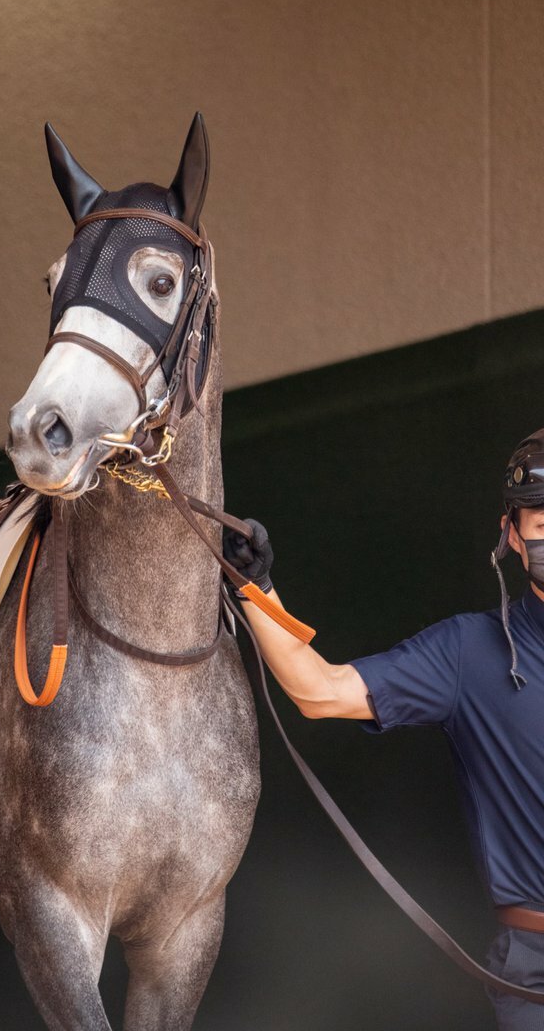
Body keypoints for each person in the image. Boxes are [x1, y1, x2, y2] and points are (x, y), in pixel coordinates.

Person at [223, 428, 544, 1031]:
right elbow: (320, 691)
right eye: (543, 522)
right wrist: (256, 589)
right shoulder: (468, 652)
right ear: (510, 534)